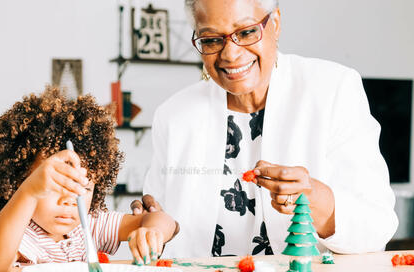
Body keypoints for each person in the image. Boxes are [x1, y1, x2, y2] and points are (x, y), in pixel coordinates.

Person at [132, 0, 398, 257]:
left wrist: (317, 202)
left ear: (276, 23)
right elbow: (158, 222)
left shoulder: (333, 90)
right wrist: (147, 228)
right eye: (212, 39)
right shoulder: (174, 115)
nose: (230, 54)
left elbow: (377, 226)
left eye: (247, 32)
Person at [0, 87, 177, 272]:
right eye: (55, 187)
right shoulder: (20, 234)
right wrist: (28, 192)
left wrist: (152, 231)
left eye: (83, 187)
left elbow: (166, 221)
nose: (70, 200)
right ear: (18, 182)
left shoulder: (91, 225)